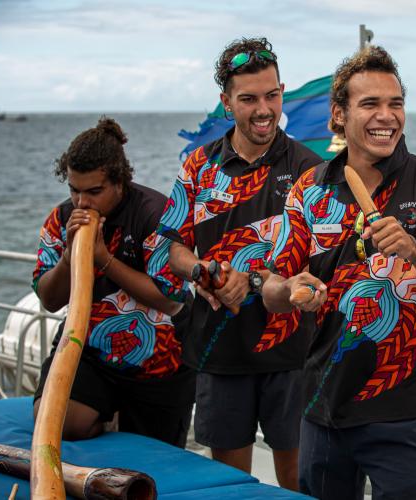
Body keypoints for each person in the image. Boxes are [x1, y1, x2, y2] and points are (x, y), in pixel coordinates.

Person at [262, 45, 416, 500]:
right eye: (370, 104)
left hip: (403, 414)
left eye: (396, 103)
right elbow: (270, 290)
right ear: (339, 115)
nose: (387, 116)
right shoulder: (309, 189)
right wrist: (291, 289)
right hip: (322, 406)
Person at [149, 37, 321, 490]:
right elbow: (173, 249)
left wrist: (258, 279)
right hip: (219, 350)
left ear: (282, 91)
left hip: (293, 353)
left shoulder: (314, 170)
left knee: (297, 482)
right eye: (248, 99)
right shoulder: (197, 169)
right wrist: (204, 272)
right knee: (230, 486)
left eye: (271, 95)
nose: (263, 109)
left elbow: (325, 264)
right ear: (226, 103)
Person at [32, 117, 195, 448]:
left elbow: (170, 299)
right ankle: (105, 416)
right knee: (54, 420)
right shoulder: (62, 218)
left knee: (153, 454)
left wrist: (103, 259)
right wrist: (69, 256)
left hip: (160, 360)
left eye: (94, 192)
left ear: (120, 182)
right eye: (74, 191)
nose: (83, 203)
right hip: (90, 351)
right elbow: (49, 300)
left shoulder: (156, 214)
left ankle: (124, 415)